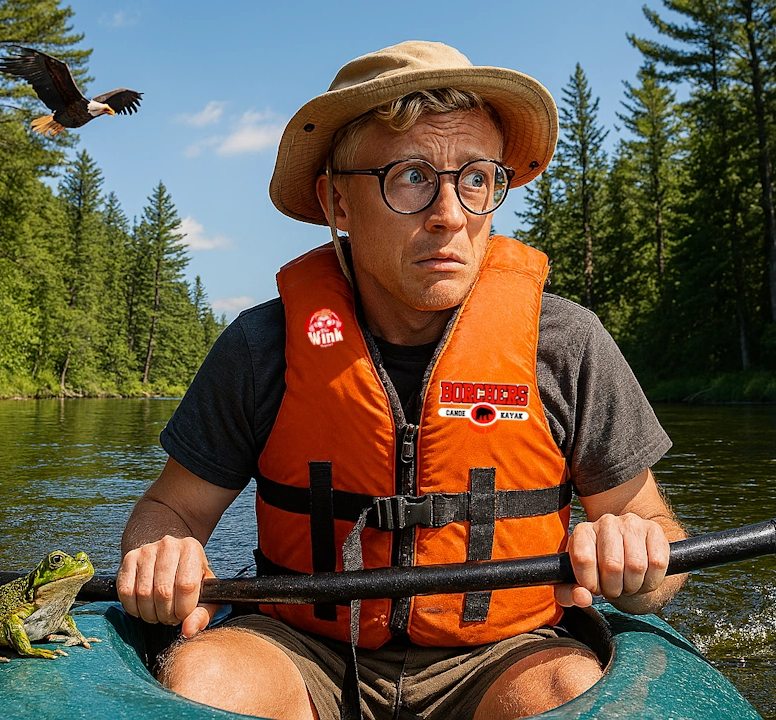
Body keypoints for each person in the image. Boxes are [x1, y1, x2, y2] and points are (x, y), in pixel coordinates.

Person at [116, 40, 686, 720]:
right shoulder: (262, 347)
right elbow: (171, 511)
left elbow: (654, 534)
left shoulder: (565, 345)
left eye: (476, 178)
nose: (451, 213)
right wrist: (162, 551)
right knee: (204, 678)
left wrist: (640, 556)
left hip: (505, 652)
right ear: (337, 203)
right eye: (412, 176)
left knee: (571, 695)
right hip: (300, 646)